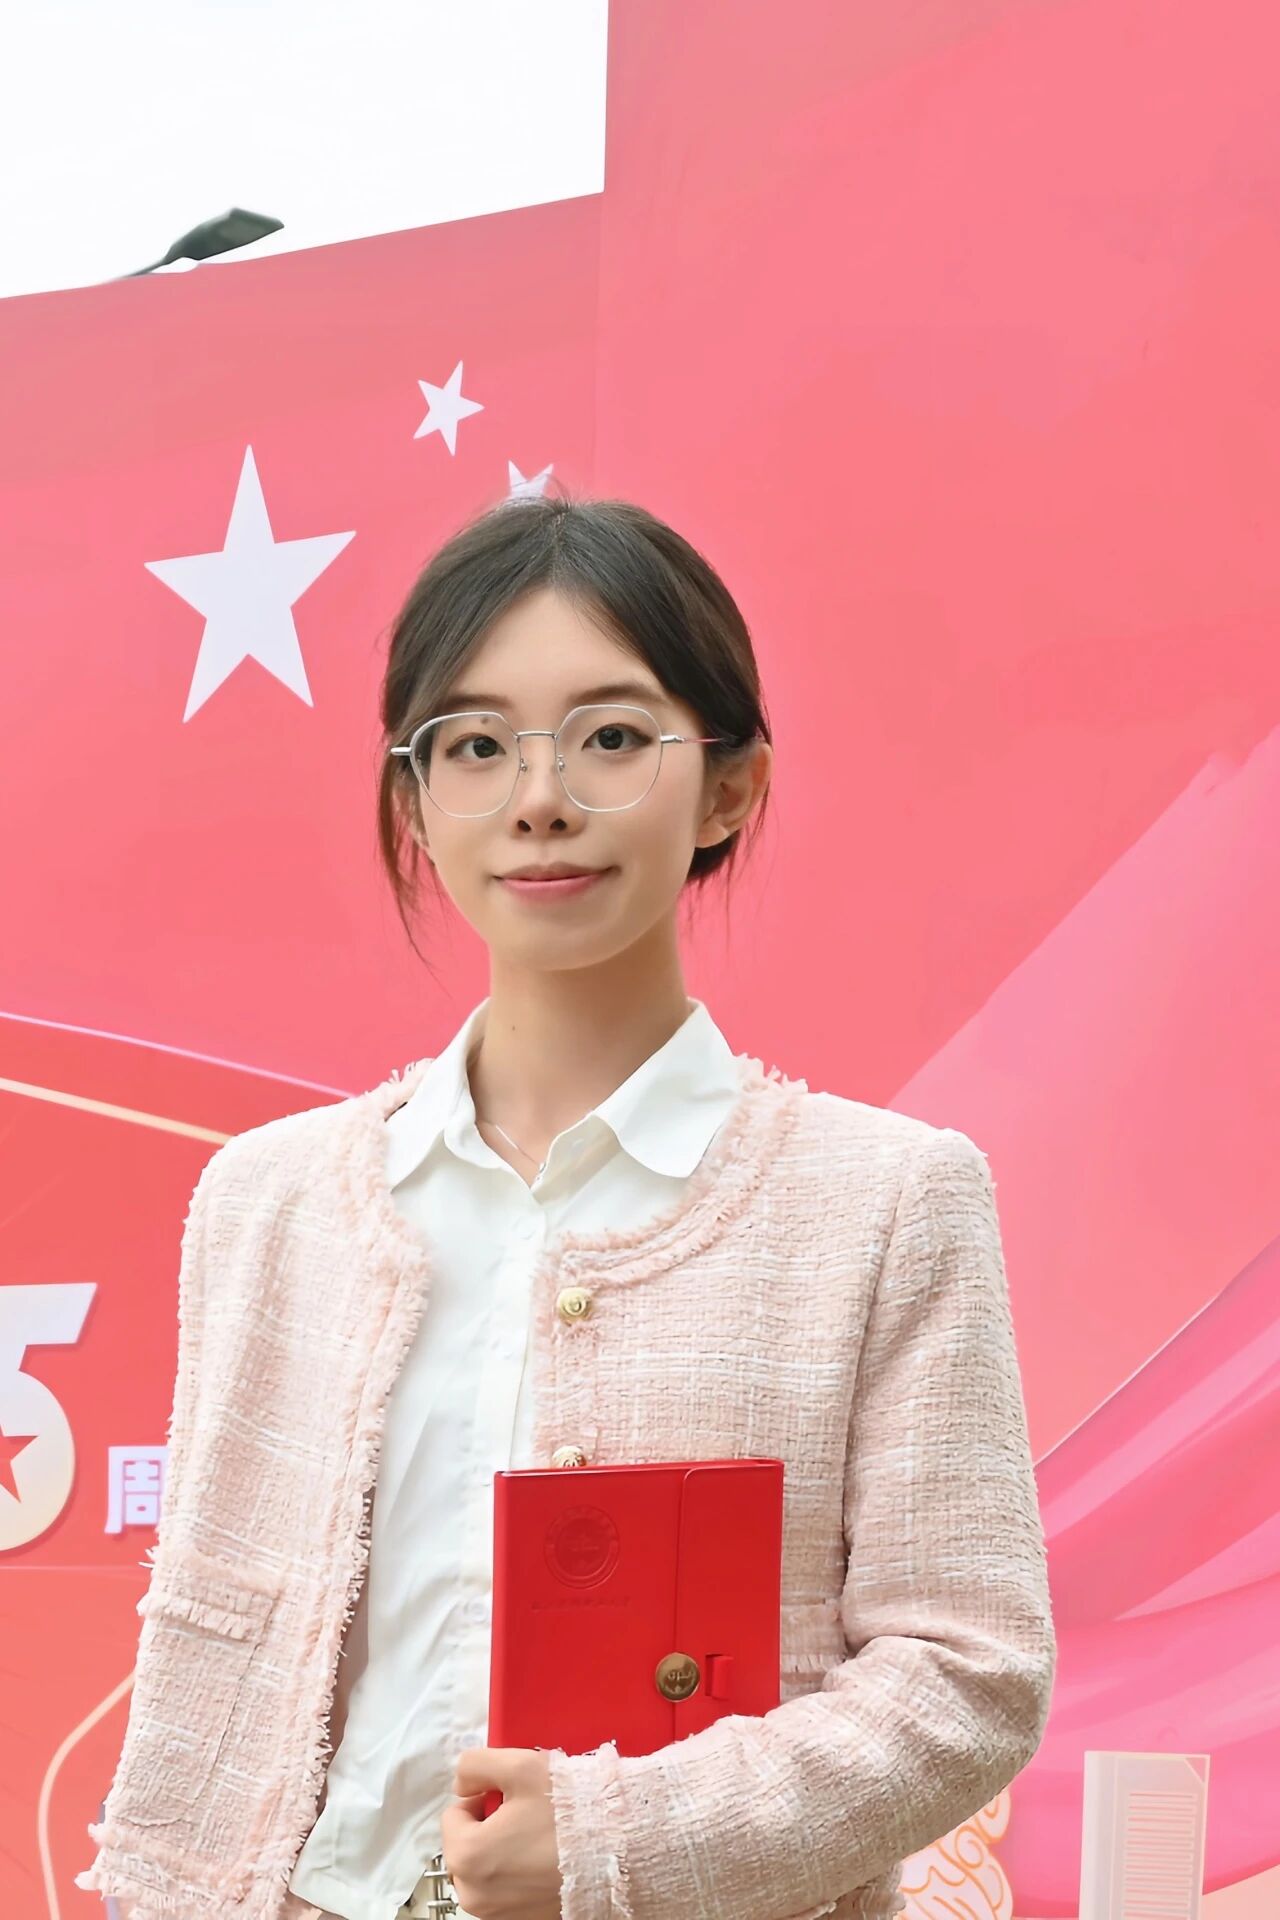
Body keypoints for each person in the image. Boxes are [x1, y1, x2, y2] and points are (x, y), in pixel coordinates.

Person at [79, 492, 1055, 1920]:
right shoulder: (269, 1203)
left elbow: (967, 1676)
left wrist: (618, 1842)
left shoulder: (884, 1203)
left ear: (729, 788)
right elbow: (215, 1656)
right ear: (415, 800)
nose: (539, 799)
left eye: (611, 736)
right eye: (476, 745)